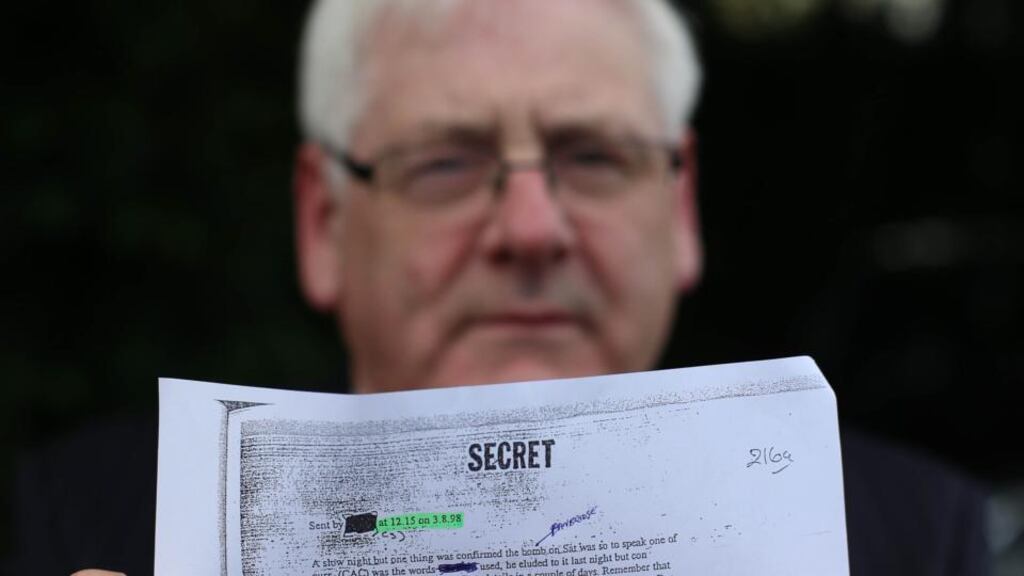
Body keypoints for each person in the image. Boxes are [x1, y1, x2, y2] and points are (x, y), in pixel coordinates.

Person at [11, 1, 989, 575]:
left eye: (595, 155)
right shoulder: (84, 526)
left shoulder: (907, 537)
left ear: (680, 206)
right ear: (323, 224)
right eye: (443, 162)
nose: (530, 229)